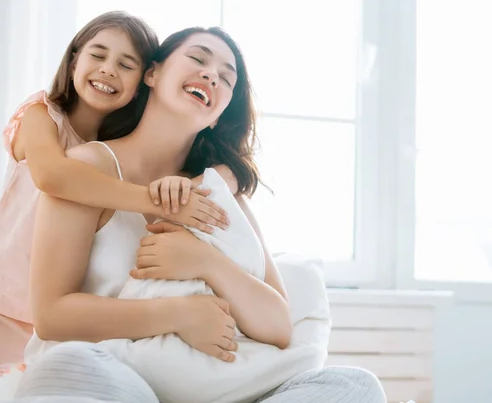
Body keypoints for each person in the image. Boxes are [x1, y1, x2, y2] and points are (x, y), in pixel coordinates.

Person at [23, 26, 387, 403]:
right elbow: (51, 316)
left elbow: (279, 326)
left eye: (226, 78)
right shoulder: (86, 170)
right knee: (69, 363)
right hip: (117, 377)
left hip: (219, 389)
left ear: (218, 115)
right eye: (197, 59)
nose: (211, 74)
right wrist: (178, 314)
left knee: (355, 386)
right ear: (153, 74)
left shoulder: (221, 192)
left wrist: (205, 261)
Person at [0, 12, 228, 403]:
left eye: (126, 65)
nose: (108, 71)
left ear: (144, 82)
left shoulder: (119, 147)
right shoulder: (41, 116)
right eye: (98, 55)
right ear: (74, 60)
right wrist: (152, 200)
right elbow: (54, 177)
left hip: (66, 295)